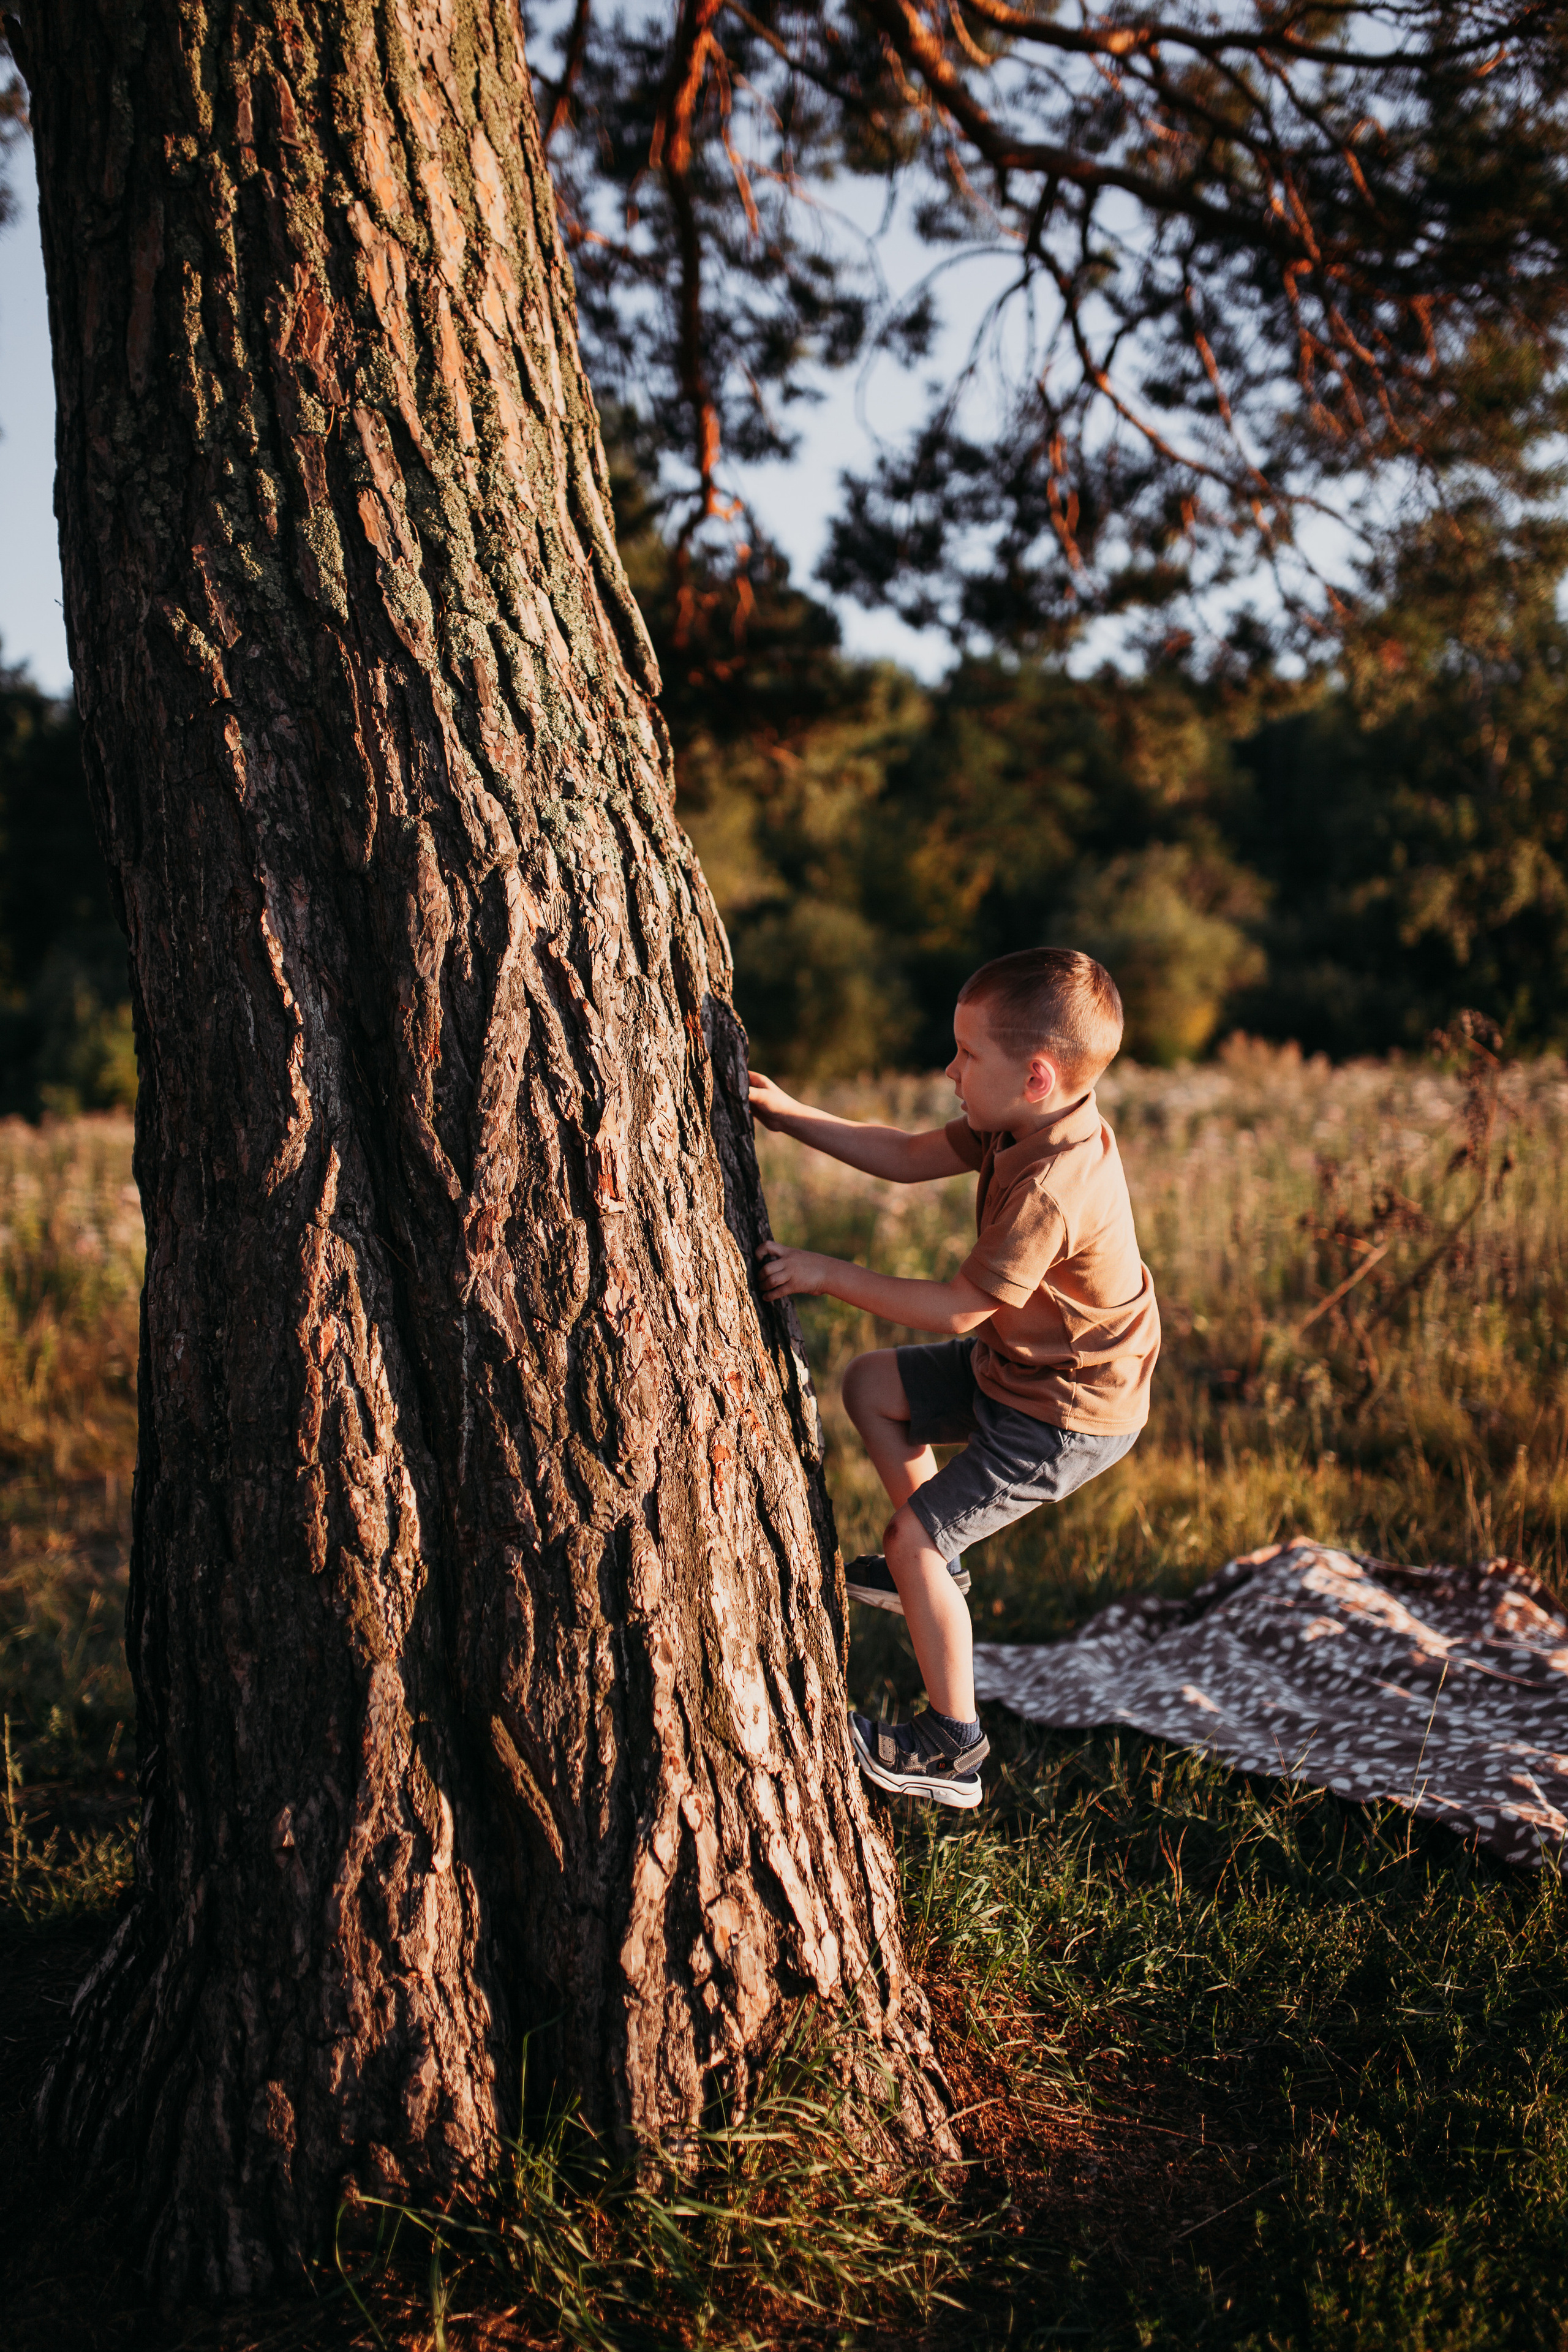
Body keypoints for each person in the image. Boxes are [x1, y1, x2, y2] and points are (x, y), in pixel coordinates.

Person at [750, 946, 1159, 1809]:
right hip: (1016, 1367)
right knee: (872, 1386)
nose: (950, 1069)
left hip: (1067, 1412)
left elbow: (961, 1307)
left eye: (968, 1055)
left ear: (1038, 1075)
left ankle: (952, 1747)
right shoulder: (1020, 1122)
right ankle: (938, 1572)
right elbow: (903, 1154)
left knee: (915, 1543)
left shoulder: (1054, 1181)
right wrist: (791, 1115)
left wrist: (827, 1272)